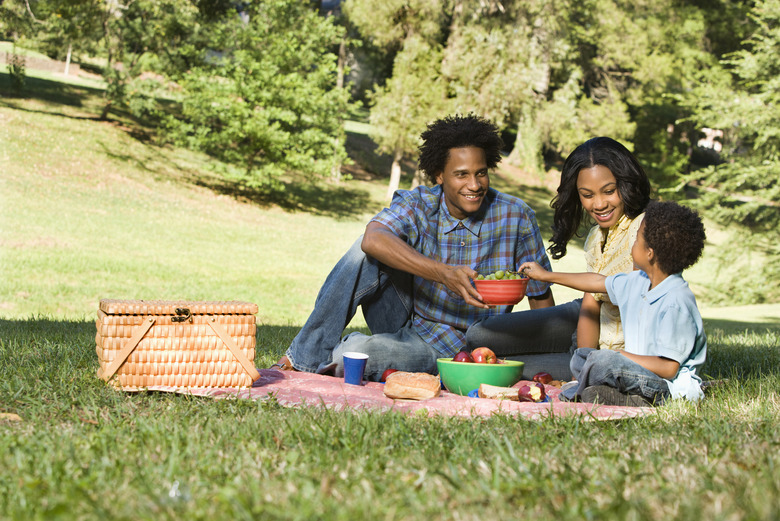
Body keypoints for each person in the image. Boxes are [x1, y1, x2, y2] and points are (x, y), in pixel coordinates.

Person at [275, 114, 556, 381]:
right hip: (418, 331)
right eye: (461, 175)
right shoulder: (419, 204)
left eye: (481, 173)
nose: (474, 185)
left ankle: (359, 347)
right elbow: (373, 239)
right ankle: (305, 358)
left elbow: (540, 295)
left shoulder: (516, 215)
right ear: (439, 175)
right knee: (365, 252)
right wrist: (443, 273)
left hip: (482, 344)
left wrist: (549, 352)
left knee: (352, 356)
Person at [465, 137, 651, 378]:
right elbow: (590, 305)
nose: (599, 204)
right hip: (584, 329)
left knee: (502, 368)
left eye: (609, 191)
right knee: (478, 336)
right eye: (587, 194)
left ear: (626, 183)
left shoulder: (644, 229)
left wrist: (584, 372)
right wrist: (583, 359)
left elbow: (632, 296)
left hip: (617, 354)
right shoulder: (596, 236)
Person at [519, 201, 708, 406]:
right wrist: (547, 275)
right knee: (583, 356)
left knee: (605, 362)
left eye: (635, 240)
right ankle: (607, 395)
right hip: (634, 373)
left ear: (649, 253)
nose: (631, 246)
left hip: (668, 386)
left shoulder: (676, 302)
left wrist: (619, 356)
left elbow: (669, 368)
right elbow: (597, 281)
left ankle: (592, 394)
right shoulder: (639, 283)